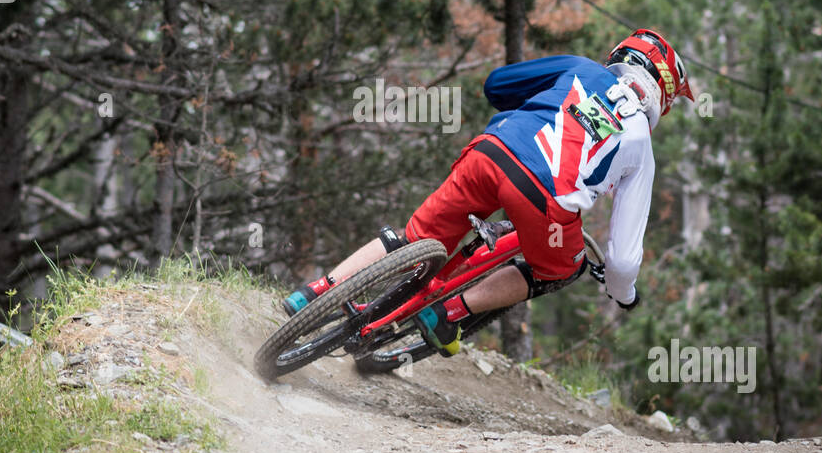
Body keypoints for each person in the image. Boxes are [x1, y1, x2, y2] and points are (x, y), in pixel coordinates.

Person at [281, 28, 694, 356]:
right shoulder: (640, 144)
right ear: (663, 92)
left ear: (621, 57)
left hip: (490, 155)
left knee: (414, 237)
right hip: (544, 203)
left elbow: (496, 85)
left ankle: (314, 293)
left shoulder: (580, 68)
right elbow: (622, 258)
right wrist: (624, 295)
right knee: (561, 268)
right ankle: (448, 313)